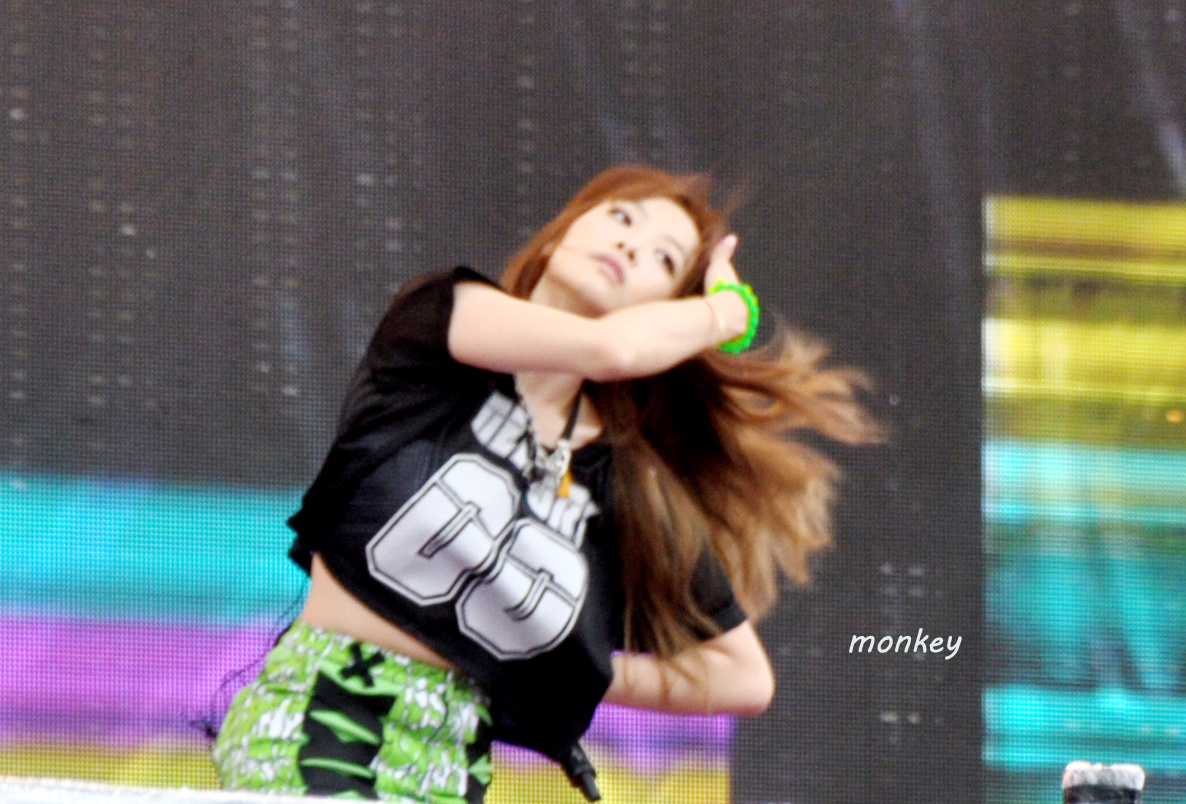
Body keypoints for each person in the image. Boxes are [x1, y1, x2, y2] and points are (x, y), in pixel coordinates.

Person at [212, 165, 880, 803]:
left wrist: (567, 663)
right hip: (321, 718)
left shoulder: (620, 479)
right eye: (622, 217)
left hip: (453, 764)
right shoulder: (444, 324)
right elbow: (610, 349)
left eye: (663, 259)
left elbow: (743, 678)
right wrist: (727, 316)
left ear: (662, 313)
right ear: (562, 234)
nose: (630, 244)